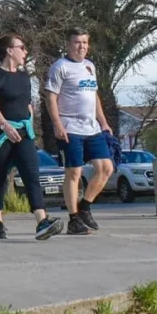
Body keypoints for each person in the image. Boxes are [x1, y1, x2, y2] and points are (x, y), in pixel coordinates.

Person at [0, 34, 63, 241]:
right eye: (23, 47)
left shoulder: (24, 77)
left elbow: (28, 105)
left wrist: (30, 123)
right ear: (10, 50)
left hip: (23, 132)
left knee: (31, 173)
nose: (26, 52)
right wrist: (5, 125)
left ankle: (41, 222)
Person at [45, 28, 115, 235]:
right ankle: (74, 220)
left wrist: (103, 122)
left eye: (85, 42)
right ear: (68, 44)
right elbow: (50, 97)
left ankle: (85, 207)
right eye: (77, 42)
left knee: (106, 168)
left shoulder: (89, 66)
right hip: (70, 128)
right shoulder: (60, 67)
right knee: (74, 172)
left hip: (92, 128)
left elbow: (94, 97)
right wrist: (57, 124)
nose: (81, 46)